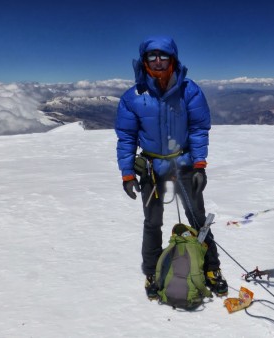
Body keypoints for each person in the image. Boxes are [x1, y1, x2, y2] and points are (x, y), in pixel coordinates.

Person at [115, 36, 227, 299]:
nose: (158, 61)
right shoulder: (133, 97)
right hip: (152, 167)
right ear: (143, 60)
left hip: (185, 163)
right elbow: (127, 138)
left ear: (173, 59)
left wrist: (199, 165)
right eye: (152, 56)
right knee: (152, 222)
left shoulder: (190, 91)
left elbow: (199, 129)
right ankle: (153, 271)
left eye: (163, 56)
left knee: (197, 219)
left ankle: (211, 268)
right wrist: (128, 173)